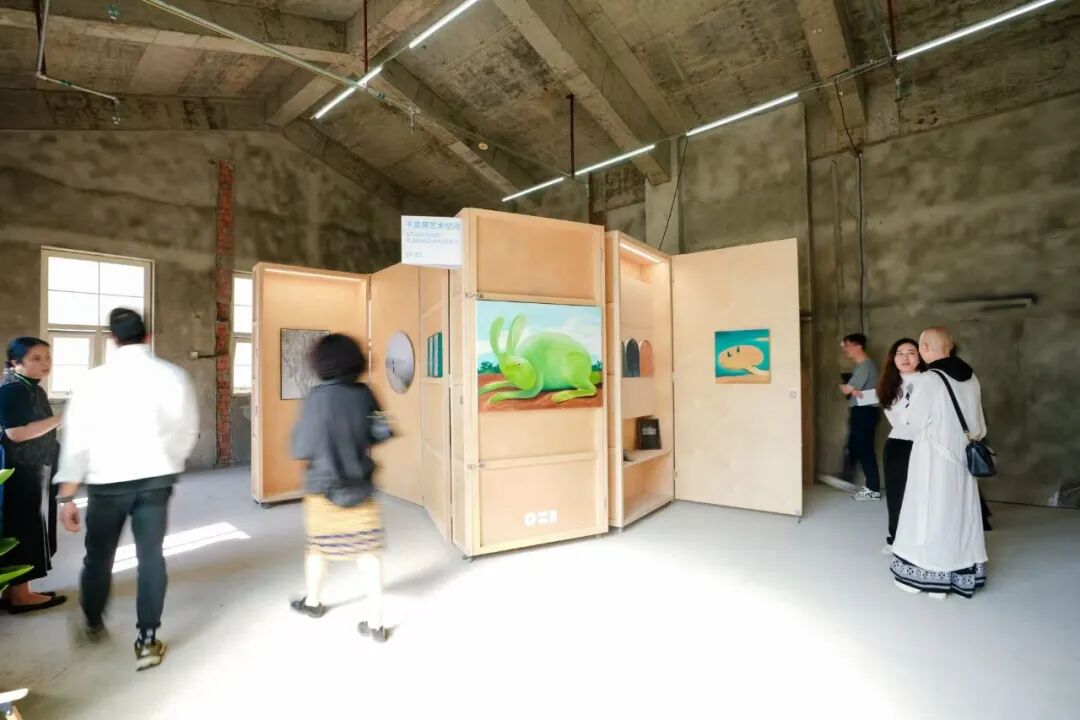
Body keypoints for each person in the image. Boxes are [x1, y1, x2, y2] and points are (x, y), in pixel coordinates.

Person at [54, 308, 198, 670]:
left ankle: (92, 622)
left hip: (106, 485)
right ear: (149, 336)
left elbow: (76, 441)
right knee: (151, 557)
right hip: (156, 482)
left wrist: (67, 495)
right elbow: (187, 430)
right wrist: (168, 461)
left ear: (112, 340)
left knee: (98, 557)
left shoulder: (93, 381)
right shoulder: (173, 376)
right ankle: (147, 640)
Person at [290, 333, 392, 643]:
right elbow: (382, 430)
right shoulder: (366, 394)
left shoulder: (316, 398)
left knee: (317, 550)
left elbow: (300, 447)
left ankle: (313, 602)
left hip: (322, 488)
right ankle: (376, 624)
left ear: (321, 363)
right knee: (368, 554)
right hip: (360, 486)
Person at [891, 327, 988, 599]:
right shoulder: (971, 377)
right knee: (961, 514)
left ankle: (926, 576)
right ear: (950, 347)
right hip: (963, 459)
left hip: (933, 459)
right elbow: (979, 426)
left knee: (928, 513)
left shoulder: (929, 380)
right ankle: (960, 574)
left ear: (924, 349)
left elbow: (914, 421)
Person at [0, 337, 67, 613]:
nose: (45, 363)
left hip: (34, 468)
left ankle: (15, 590)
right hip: (20, 472)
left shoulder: (32, 388)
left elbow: (38, 427)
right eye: (36, 358)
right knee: (23, 529)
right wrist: (62, 418)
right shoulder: (12, 390)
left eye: (47, 357)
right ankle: (21, 596)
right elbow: (16, 433)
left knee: (30, 527)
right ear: (16, 362)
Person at [876, 338, 927, 555]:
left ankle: (922, 541)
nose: (905, 357)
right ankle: (895, 539)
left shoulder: (930, 381)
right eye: (900, 353)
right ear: (893, 359)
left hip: (926, 444)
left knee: (924, 496)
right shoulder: (888, 385)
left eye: (911, 352)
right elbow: (899, 420)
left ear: (920, 357)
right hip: (898, 444)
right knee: (897, 495)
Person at [839, 333, 881, 500]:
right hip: (862, 410)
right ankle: (846, 478)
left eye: (848, 345)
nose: (845, 349)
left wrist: (844, 386)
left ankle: (873, 488)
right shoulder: (864, 366)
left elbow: (847, 390)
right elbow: (856, 391)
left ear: (858, 346)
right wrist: (853, 390)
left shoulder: (865, 366)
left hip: (865, 412)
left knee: (864, 449)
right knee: (854, 445)